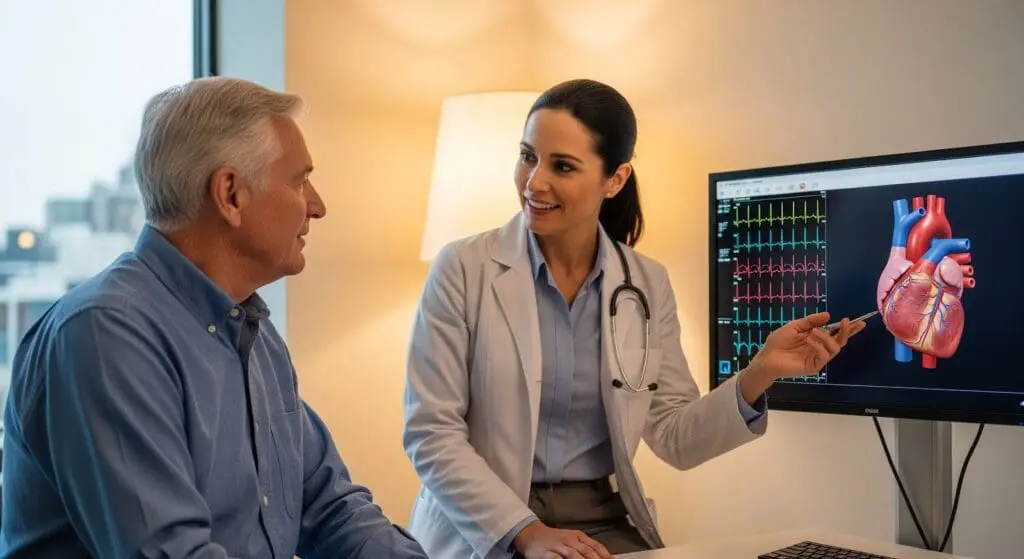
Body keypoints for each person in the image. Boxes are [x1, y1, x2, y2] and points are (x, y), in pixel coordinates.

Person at [401, 78, 864, 559]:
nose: (535, 181)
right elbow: (430, 433)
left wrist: (762, 370)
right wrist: (528, 532)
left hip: (602, 522)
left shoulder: (645, 282)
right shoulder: (462, 268)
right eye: (527, 156)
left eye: (562, 165)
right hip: (489, 524)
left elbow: (675, 437)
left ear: (615, 179)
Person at [0, 77, 427, 559]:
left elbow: (331, 510)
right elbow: (170, 552)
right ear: (230, 194)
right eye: (298, 179)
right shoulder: (105, 335)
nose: (317, 205)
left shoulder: (255, 336)